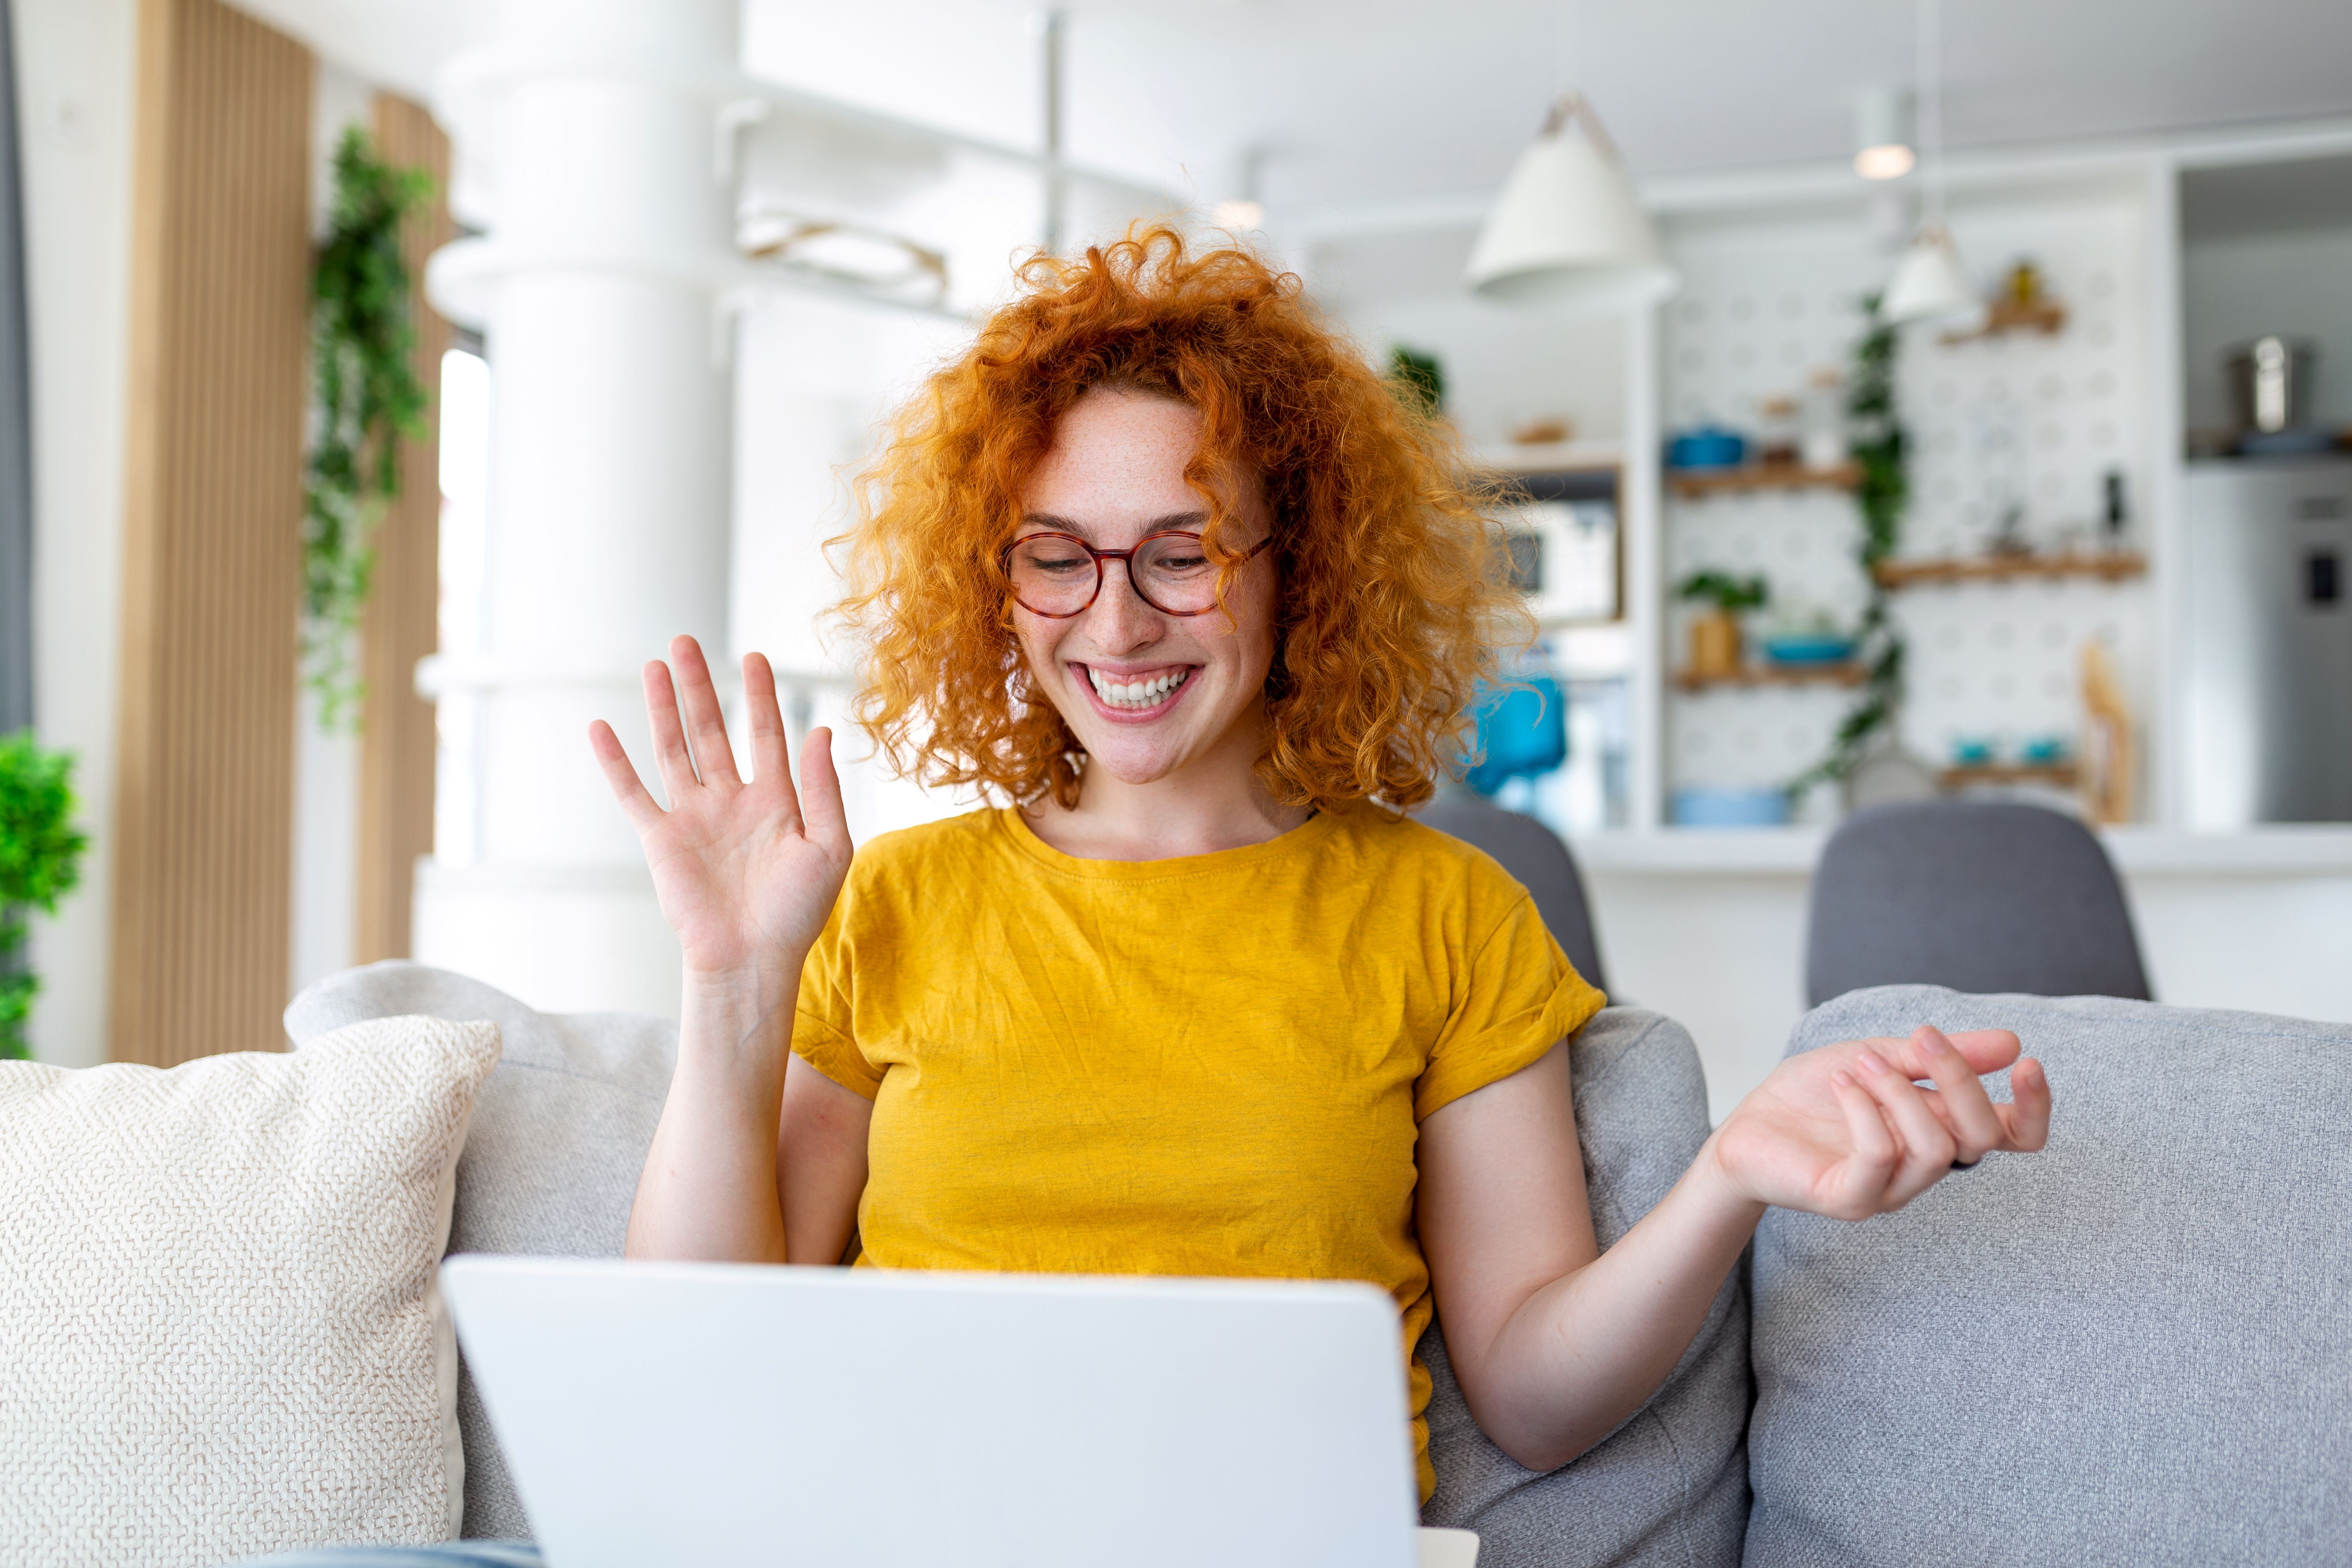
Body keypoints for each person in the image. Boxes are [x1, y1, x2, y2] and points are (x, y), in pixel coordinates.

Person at [244, 230, 2048, 1563]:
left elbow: (1535, 1388)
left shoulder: (1444, 914)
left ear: (1297, 570)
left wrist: (1733, 1172)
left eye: (1182, 550)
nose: (1117, 623)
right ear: (1000, 583)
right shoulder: (902, 899)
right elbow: (702, 1342)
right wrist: (732, 981)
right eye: (1062, 557)